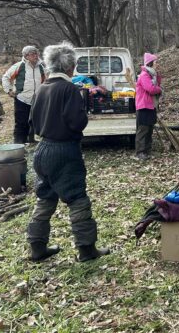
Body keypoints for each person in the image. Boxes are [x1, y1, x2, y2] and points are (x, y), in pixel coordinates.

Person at [26, 42, 110, 262]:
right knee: (77, 198)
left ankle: (37, 247)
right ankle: (86, 249)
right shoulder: (69, 89)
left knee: (45, 198)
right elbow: (77, 123)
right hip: (64, 150)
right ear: (70, 67)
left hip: (42, 149)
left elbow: (31, 123)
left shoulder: (41, 88)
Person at [2, 45, 45, 144]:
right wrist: (9, 90)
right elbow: (6, 77)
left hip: (37, 99)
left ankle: (31, 140)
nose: (36, 56)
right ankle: (19, 144)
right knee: (21, 123)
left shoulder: (41, 67)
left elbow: (45, 80)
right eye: (33, 54)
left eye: (36, 53)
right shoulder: (19, 66)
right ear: (26, 56)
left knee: (34, 121)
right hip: (22, 99)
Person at [135, 53, 162, 160]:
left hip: (151, 105)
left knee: (150, 128)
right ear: (151, 63)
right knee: (143, 130)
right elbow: (151, 89)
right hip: (144, 106)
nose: (158, 64)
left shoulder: (152, 75)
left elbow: (157, 84)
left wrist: (157, 75)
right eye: (156, 62)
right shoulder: (144, 75)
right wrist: (160, 90)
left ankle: (147, 150)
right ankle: (140, 152)